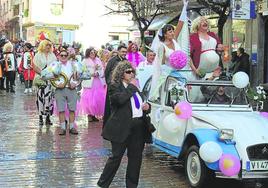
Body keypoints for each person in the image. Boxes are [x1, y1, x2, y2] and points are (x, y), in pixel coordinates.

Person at [97, 61, 151, 188]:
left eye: (132, 71)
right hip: (121, 127)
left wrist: (147, 107)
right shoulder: (114, 86)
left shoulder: (134, 87)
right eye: (128, 72)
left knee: (135, 159)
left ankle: (132, 185)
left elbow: (142, 103)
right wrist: (130, 89)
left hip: (138, 126)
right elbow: (118, 100)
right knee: (116, 158)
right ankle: (103, 184)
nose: (131, 74)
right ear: (121, 73)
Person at [150, 0, 189, 100]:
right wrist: (170, 73)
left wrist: (185, 6)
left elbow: (180, 24)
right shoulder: (162, 47)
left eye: (172, 31)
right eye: (169, 31)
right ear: (165, 34)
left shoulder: (175, 40)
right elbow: (161, 64)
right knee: (173, 96)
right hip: (168, 74)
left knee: (182, 94)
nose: (172, 32)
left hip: (178, 71)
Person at [54, 49, 79, 135]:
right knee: (61, 110)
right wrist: (57, 84)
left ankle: (72, 127)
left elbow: (78, 76)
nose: (63, 57)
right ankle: (63, 128)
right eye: (62, 55)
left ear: (68, 56)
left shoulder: (73, 65)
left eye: (65, 55)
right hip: (60, 89)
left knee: (72, 109)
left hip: (71, 89)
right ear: (59, 56)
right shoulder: (55, 65)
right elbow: (51, 77)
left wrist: (75, 84)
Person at [33, 39, 57, 127]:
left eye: (49, 46)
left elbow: (55, 66)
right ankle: (40, 117)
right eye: (46, 45)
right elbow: (34, 67)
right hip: (40, 79)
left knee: (49, 99)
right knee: (40, 98)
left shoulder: (52, 55)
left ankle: (48, 117)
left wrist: (52, 74)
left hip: (50, 80)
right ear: (43, 46)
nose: (48, 47)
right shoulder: (38, 55)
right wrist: (42, 73)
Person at [79, 47, 106, 123]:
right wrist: (91, 74)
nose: (93, 54)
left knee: (97, 99)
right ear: (88, 53)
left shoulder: (98, 60)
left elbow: (101, 70)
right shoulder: (84, 61)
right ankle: (89, 115)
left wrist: (98, 73)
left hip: (97, 82)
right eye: (91, 52)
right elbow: (81, 71)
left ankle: (94, 115)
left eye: (94, 52)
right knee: (89, 100)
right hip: (89, 82)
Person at [103, 45, 127, 126]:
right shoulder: (112, 61)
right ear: (118, 52)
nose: (124, 53)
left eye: (125, 52)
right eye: (123, 52)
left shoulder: (126, 61)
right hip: (113, 87)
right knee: (110, 108)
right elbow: (106, 73)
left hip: (122, 87)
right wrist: (110, 84)